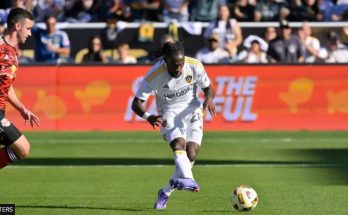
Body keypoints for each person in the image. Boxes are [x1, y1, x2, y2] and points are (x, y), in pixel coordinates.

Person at [131, 41, 216, 209]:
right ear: (165, 60)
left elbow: (208, 88)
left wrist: (209, 99)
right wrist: (148, 117)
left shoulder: (194, 65)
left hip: (192, 108)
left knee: (191, 154)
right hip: (168, 111)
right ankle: (189, 180)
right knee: (178, 144)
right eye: (174, 64)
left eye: (181, 63)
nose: (179, 68)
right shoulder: (155, 74)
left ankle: (165, 192)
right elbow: (136, 103)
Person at [0, 7, 40, 170]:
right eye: (28, 28)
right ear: (17, 26)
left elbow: (7, 85)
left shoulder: (14, 53)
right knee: (22, 147)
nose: (30, 33)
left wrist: (22, 109)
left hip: (2, 110)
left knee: (22, 149)